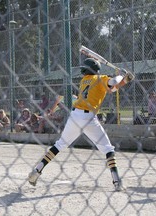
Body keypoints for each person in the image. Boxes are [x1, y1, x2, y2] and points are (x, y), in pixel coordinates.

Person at [28, 58, 134, 191]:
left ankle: (37, 170)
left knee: (60, 144)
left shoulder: (84, 81)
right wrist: (119, 76)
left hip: (75, 116)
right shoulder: (100, 78)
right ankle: (117, 182)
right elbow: (112, 83)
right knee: (108, 149)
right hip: (89, 117)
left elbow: (111, 89)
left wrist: (125, 80)